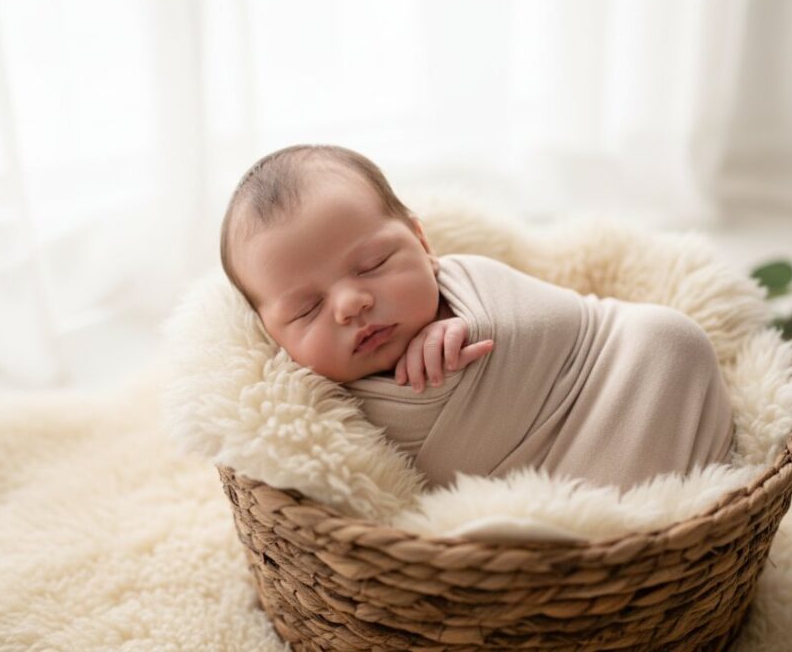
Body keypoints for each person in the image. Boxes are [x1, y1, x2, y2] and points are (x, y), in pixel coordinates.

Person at [220, 144, 734, 491]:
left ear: (422, 245)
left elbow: (570, 326)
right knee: (494, 536)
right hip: (532, 488)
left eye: (373, 264)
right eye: (307, 309)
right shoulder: (314, 408)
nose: (350, 303)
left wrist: (476, 326)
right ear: (270, 334)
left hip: (614, 376)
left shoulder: (467, 283)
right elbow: (387, 496)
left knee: (670, 341)